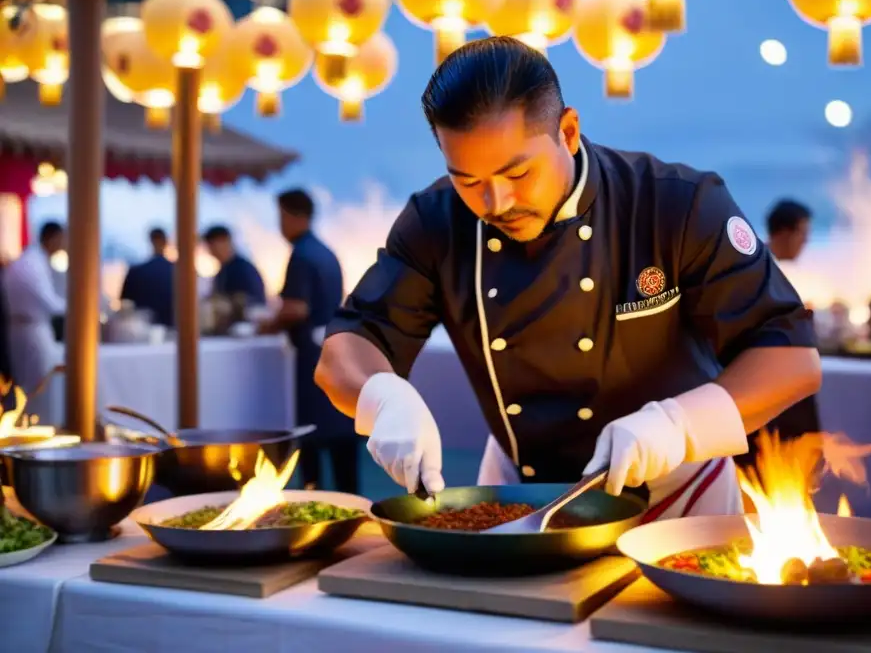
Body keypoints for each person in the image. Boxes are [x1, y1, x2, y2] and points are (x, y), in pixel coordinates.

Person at [315, 37, 821, 519]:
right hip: (521, 493)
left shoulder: (676, 203)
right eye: (468, 180)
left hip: (680, 492)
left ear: (569, 131)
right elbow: (349, 345)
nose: (495, 203)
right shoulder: (436, 222)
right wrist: (382, 397)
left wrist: (678, 426)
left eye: (517, 174)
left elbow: (789, 359)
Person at [259, 189, 355, 492]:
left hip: (311, 357)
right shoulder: (326, 253)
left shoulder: (301, 255)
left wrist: (268, 325)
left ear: (290, 215)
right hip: (335, 349)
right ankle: (351, 499)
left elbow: (296, 308)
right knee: (341, 431)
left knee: (311, 432)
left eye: (281, 217)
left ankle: (312, 493)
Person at [734, 199, 821, 473]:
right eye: (803, 235)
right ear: (785, 232)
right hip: (767, 384)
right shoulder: (757, 267)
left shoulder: (768, 267)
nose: (805, 243)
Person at [1, 222, 66, 426]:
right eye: (63, 239)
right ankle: (37, 429)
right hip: (32, 331)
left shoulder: (28, 261)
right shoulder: (33, 264)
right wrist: (83, 306)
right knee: (38, 387)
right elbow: (51, 304)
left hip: (20, 329)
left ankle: (31, 427)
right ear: (53, 238)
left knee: (28, 387)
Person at [120, 227, 174, 327]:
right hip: (174, 327)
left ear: (150, 241)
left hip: (142, 328)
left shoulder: (136, 271)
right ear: (166, 241)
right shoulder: (178, 271)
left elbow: (125, 302)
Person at [202, 225, 266, 305]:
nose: (211, 249)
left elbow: (253, 301)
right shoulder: (223, 271)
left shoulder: (242, 269)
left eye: (213, 244)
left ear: (226, 241)